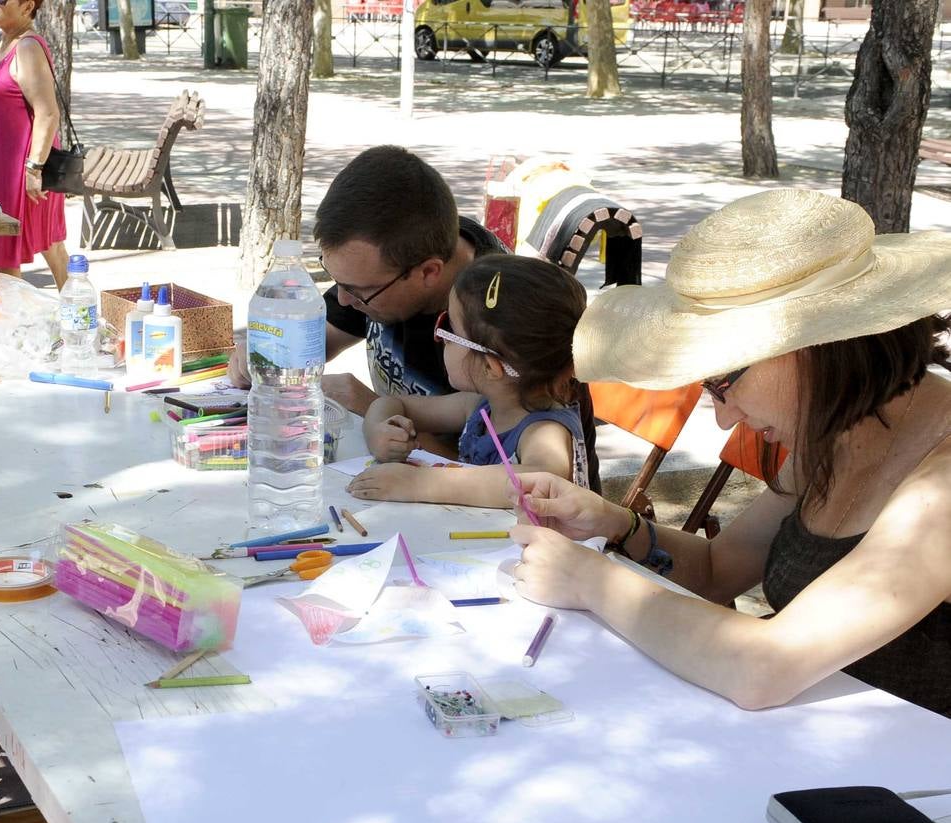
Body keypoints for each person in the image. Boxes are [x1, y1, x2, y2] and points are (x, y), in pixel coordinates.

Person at [507, 189, 951, 717]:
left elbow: (763, 667)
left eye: (722, 382)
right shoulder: (833, 430)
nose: (721, 415)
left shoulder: (940, 479)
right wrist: (612, 523)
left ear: (810, 349)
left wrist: (590, 580)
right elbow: (719, 568)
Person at [228, 146, 503, 436]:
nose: (344, 300)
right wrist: (266, 358)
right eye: (340, 282)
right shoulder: (387, 263)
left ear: (428, 272)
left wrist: (375, 409)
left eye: (358, 291)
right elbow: (314, 342)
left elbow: (488, 463)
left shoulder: (500, 321)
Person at [349, 254, 598, 505]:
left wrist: (420, 483)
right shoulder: (479, 406)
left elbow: (540, 478)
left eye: (450, 327)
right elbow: (393, 403)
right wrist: (379, 432)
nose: (441, 336)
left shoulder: (545, 430)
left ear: (491, 367)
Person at [0, 0, 69, 288]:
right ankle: (77, 317)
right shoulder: (7, 44)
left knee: (19, 249)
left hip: (23, 169)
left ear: (26, 6)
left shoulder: (27, 47)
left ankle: (23, 325)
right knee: (44, 246)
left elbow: (48, 112)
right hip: (6, 167)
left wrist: (34, 169)